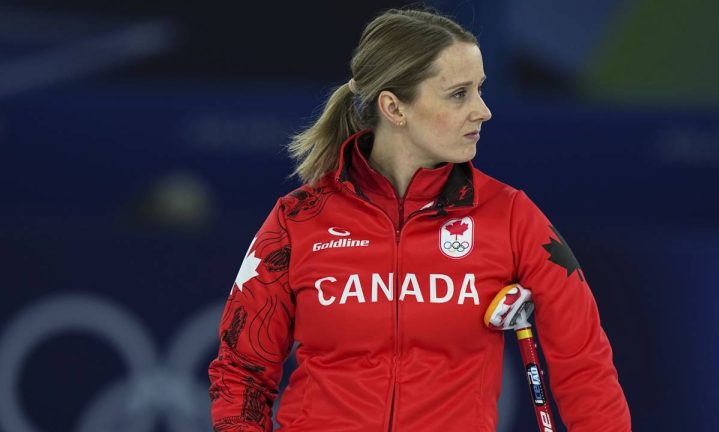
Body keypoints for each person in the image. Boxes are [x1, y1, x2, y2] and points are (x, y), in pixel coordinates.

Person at [208, 7, 631, 432]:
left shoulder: (512, 216)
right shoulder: (298, 220)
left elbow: (585, 368)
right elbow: (240, 374)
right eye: (459, 93)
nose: (483, 110)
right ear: (394, 107)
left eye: (481, 89)